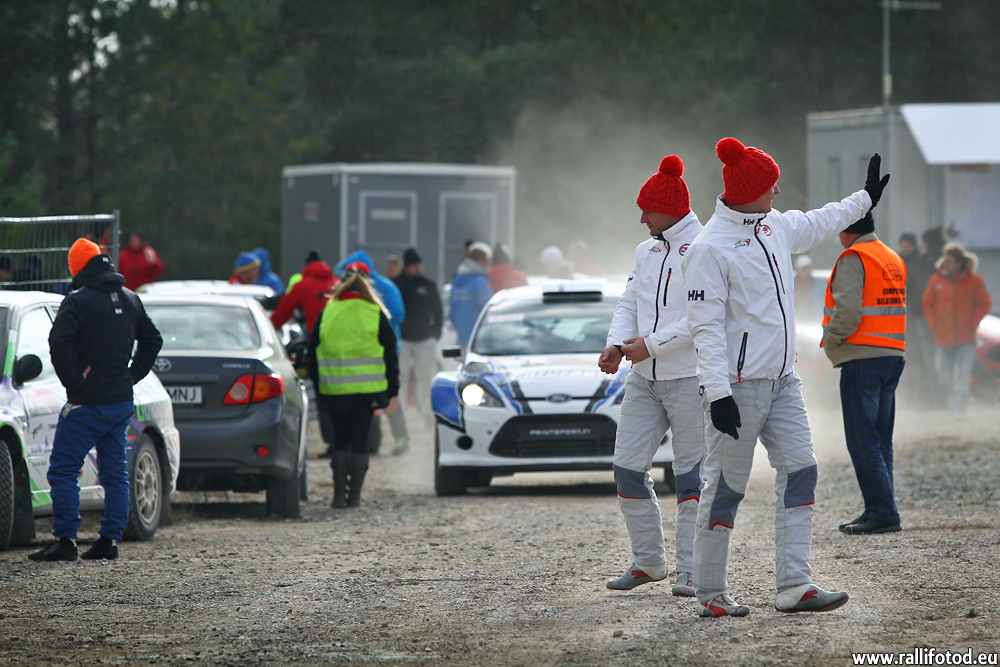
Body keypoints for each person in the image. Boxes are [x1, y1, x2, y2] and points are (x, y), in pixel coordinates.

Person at [681, 137, 888, 617]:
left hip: (783, 381)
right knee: (725, 489)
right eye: (771, 185)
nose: (777, 191)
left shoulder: (773, 224)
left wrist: (865, 199)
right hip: (736, 388)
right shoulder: (708, 248)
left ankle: (795, 585)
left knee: (802, 472)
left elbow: (820, 221)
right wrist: (717, 393)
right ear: (750, 190)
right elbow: (704, 329)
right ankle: (710, 592)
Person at [598, 155, 705, 597]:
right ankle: (648, 562)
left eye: (647, 211)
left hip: (691, 378)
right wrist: (616, 343)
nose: (642, 219)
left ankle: (691, 571)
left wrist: (652, 345)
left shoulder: (704, 248)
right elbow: (629, 303)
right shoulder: (646, 250)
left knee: (691, 477)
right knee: (626, 469)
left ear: (669, 209)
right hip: (643, 377)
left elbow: (703, 316)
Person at [29, 238, 162, 561]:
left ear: (77, 268)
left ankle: (65, 541)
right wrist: (131, 375)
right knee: (115, 473)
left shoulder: (77, 301)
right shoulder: (130, 298)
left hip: (87, 404)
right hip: (120, 401)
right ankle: (109, 541)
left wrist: (75, 382)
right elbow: (153, 340)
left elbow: (58, 343)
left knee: (63, 471)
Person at [822, 211, 906, 535]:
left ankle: (883, 512)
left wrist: (830, 340)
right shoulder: (891, 257)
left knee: (863, 441)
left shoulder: (854, 257)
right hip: (892, 355)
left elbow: (848, 312)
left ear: (846, 231)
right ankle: (881, 508)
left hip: (862, 357)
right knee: (880, 441)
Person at [308, 262, 399, 508]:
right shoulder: (374, 311)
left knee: (340, 439)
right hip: (367, 392)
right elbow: (391, 352)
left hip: (334, 389)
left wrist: (318, 386)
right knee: (360, 439)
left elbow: (312, 350)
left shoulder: (328, 311)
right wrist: (392, 389)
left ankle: (338, 495)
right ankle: (354, 496)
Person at [335, 250, 409, 455]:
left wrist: (370, 317)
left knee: (391, 396)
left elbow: (398, 314)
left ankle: (402, 438)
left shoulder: (386, 287)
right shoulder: (347, 290)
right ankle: (371, 442)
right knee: (367, 397)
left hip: (386, 351)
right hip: (361, 353)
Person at [270, 252, 340, 459]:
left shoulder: (302, 286)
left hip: (319, 348)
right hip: (344, 348)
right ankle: (345, 442)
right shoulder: (337, 284)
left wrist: (268, 333)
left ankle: (332, 443)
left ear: (306, 266)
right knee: (344, 394)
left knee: (324, 394)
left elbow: (282, 313)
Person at [922, 242, 992, 414]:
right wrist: (933, 324)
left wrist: (974, 323)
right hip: (942, 337)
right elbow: (927, 303)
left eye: (950, 261)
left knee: (962, 374)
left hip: (965, 337)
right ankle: (950, 401)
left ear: (959, 263)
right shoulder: (936, 280)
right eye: (945, 260)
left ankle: (958, 411)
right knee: (942, 372)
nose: (946, 264)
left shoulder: (974, 281)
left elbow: (985, 303)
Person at [392, 248, 443, 428]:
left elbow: (438, 310)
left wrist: (436, 333)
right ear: (407, 266)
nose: (418, 269)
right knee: (400, 378)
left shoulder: (428, 285)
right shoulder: (396, 284)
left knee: (426, 378)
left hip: (425, 339)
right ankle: (400, 418)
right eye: (414, 265)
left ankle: (428, 414)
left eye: (419, 265)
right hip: (403, 340)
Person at [897, 231, 938, 407]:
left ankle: (928, 397)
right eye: (902, 244)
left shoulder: (923, 263)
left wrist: (912, 307)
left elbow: (921, 290)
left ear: (914, 246)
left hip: (919, 317)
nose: (905, 247)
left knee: (924, 357)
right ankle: (911, 397)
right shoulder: (896, 262)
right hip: (901, 318)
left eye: (908, 244)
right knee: (906, 358)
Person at [449, 242, 494, 349]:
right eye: (488, 261)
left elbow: (452, 310)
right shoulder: (480, 282)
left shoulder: (457, 280)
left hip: (461, 338)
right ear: (480, 261)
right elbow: (488, 310)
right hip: (479, 340)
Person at [793, 254, 814, 321]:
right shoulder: (791, 284)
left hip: (814, 321)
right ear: (798, 269)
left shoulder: (819, 285)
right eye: (803, 268)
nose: (805, 270)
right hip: (797, 321)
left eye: (807, 268)